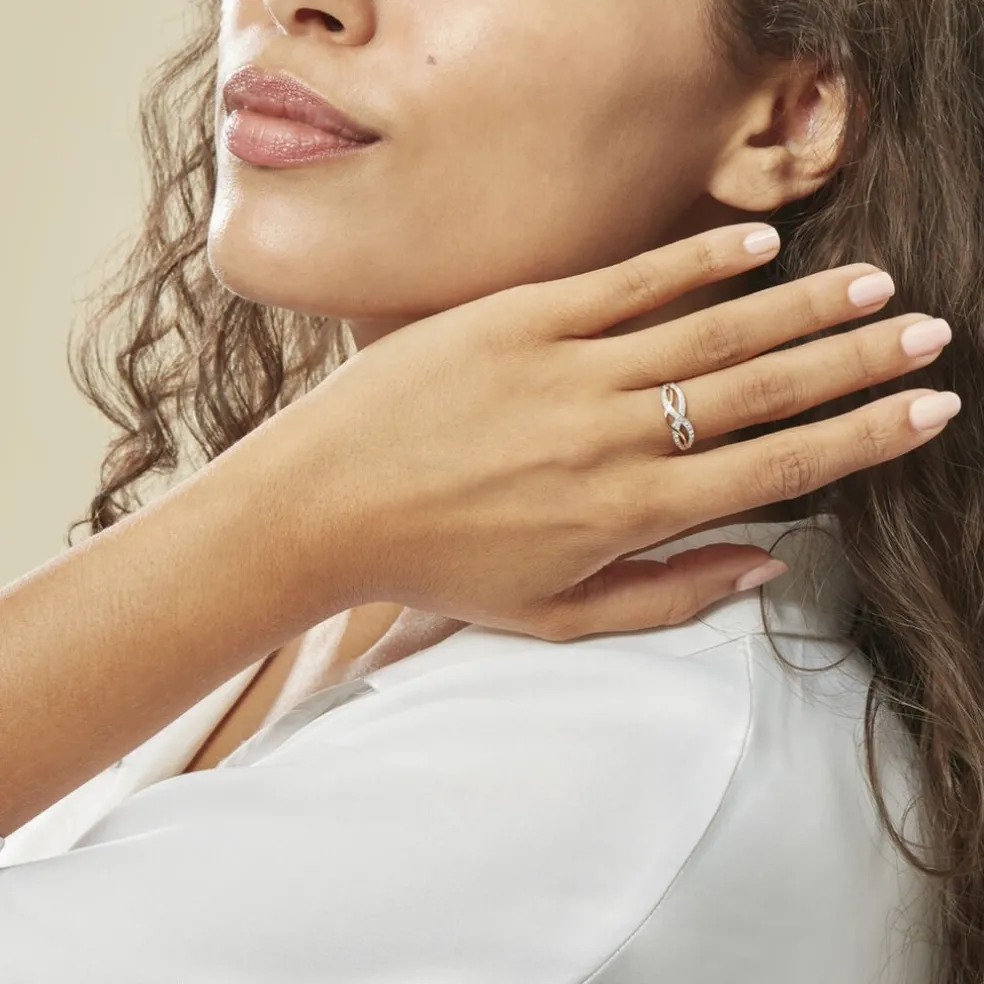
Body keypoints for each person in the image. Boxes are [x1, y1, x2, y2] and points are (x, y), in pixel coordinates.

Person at [0, 0, 977, 981]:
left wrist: (284, 521)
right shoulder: (338, 583)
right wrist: (299, 513)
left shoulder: (595, 767)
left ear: (789, 114)